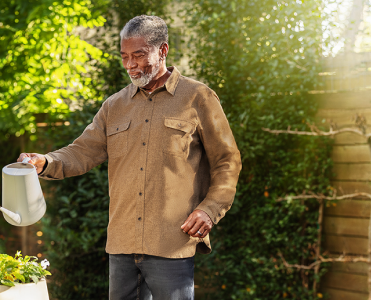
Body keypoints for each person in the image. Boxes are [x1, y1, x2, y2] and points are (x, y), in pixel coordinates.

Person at [17, 15, 241, 300]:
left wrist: (209, 209)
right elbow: (82, 150)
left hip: (171, 243)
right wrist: (45, 161)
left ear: (162, 50)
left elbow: (227, 160)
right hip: (121, 244)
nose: (130, 65)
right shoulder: (114, 106)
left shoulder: (198, 97)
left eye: (138, 55)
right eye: (124, 56)